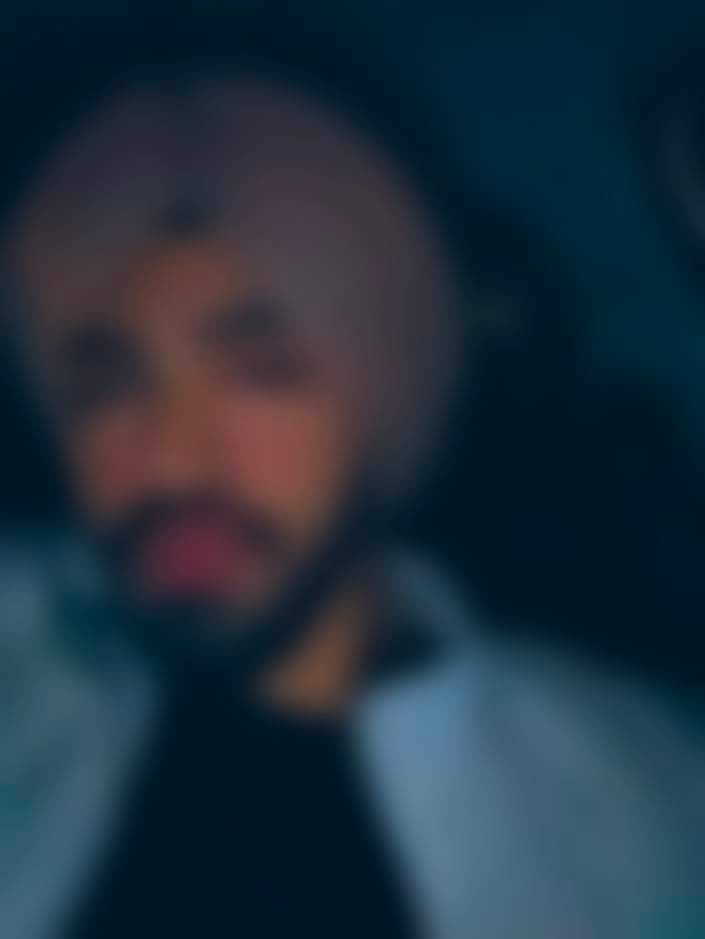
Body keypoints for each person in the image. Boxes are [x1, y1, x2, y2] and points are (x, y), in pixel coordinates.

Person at [1, 21, 704, 939]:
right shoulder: (28, 682)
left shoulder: (640, 801)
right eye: (106, 384)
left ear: (386, 388)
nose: (168, 458)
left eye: (261, 370)